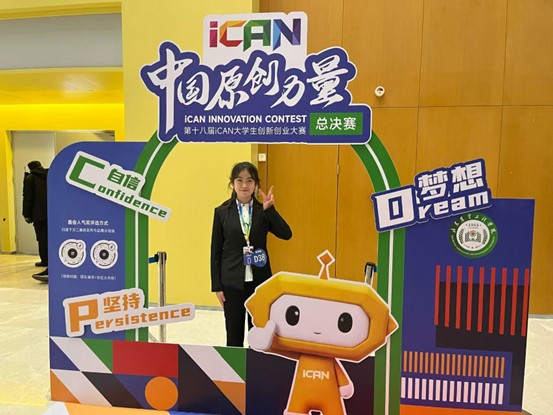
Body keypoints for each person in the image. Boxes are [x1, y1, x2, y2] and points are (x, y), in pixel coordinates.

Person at [210, 161, 292, 347]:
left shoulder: (263, 211)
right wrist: (217, 286)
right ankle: (234, 365)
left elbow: (286, 234)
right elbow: (215, 251)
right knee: (233, 333)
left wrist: (271, 210)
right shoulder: (222, 212)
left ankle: (257, 364)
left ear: (256, 184)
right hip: (231, 282)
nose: (244, 185)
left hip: (259, 282)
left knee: (258, 332)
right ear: (232, 183)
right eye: (239, 180)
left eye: (249, 180)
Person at [23, 160, 49, 283]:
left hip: (39, 214)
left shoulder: (30, 178)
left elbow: (27, 197)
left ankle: (45, 260)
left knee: (41, 237)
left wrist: (26, 214)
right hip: (52, 213)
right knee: (51, 238)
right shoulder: (50, 175)